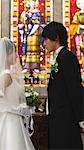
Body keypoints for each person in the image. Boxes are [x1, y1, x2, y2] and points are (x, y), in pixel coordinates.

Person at [0, 37, 35, 150]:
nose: (16, 56)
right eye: (14, 52)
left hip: (13, 119)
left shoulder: (8, 74)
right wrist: (12, 108)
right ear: (6, 54)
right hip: (9, 121)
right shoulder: (6, 75)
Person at [42, 21, 84, 149]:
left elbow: (75, 88)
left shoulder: (67, 58)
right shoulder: (59, 57)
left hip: (66, 118)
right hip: (58, 116)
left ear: (56, 38)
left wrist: (81, 117)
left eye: (46, 39)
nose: (44, 44)